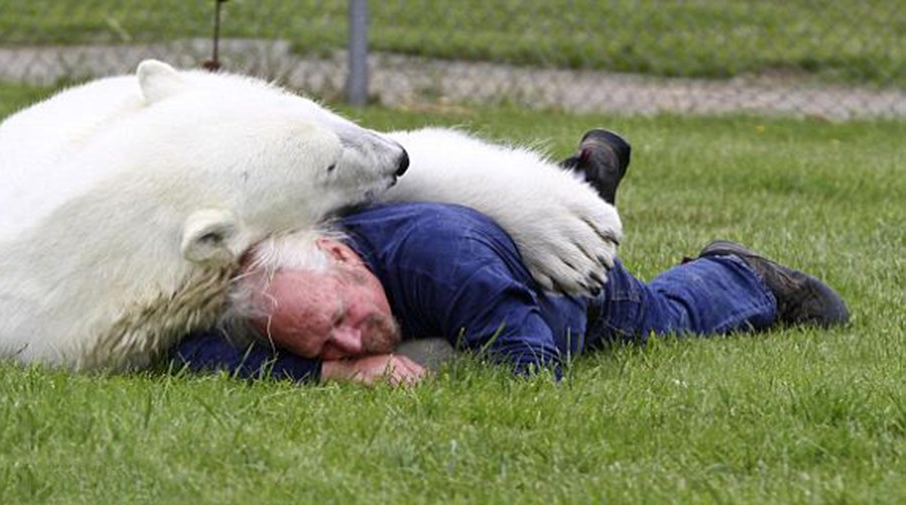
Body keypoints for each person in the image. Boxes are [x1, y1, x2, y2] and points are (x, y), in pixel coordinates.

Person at [170, 130, 850, 385]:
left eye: (345, 317)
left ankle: (744, 274)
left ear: (340, 258)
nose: (351, 340)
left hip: (536, 280)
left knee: (648, 319)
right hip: (487, 260)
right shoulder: (279, 278)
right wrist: (330, 377)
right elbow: (188, 355)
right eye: (323, 340)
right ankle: (580, 186)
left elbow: (534, 368)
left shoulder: (443, 260)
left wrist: (428, 372)